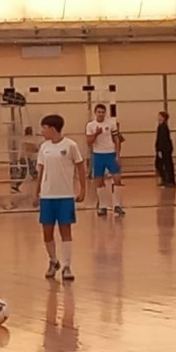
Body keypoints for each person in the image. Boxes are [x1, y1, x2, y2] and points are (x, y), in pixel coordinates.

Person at [33, 114, 86, 281]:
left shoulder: (70, 146)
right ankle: (53, 261)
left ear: (52, 128)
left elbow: (80, 166)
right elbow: (40, 171)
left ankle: (67, 266)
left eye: (44, 128)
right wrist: (36, 193)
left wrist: (82, 188)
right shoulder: (44, 147)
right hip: (47, 196)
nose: (42, 131)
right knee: (47, 232)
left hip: (65, 195)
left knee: (65, 231)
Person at [86, 104, 124, 216]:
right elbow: (89, 142)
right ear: (95, 112)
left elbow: (117, 140)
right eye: (99, 112)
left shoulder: (111, 124)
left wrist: (118, 155)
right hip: (98, 155)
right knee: (99, 180)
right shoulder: (90, 125)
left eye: (103, 112)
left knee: (117, 178)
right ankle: (102, 206)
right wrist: (96, 134)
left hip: (111, 153)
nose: (101, 114)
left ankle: (117, 205)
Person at [154, 111, 176, 188]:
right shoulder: (161, 126)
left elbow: (163, 139)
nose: (158, 117)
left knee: (165, 165)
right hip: (163, 149)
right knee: (160, 164)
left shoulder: (163, 127)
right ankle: (165, 180)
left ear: (163, 118)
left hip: (165, 149)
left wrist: (160, 150)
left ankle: (169, 181)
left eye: (159, 116)